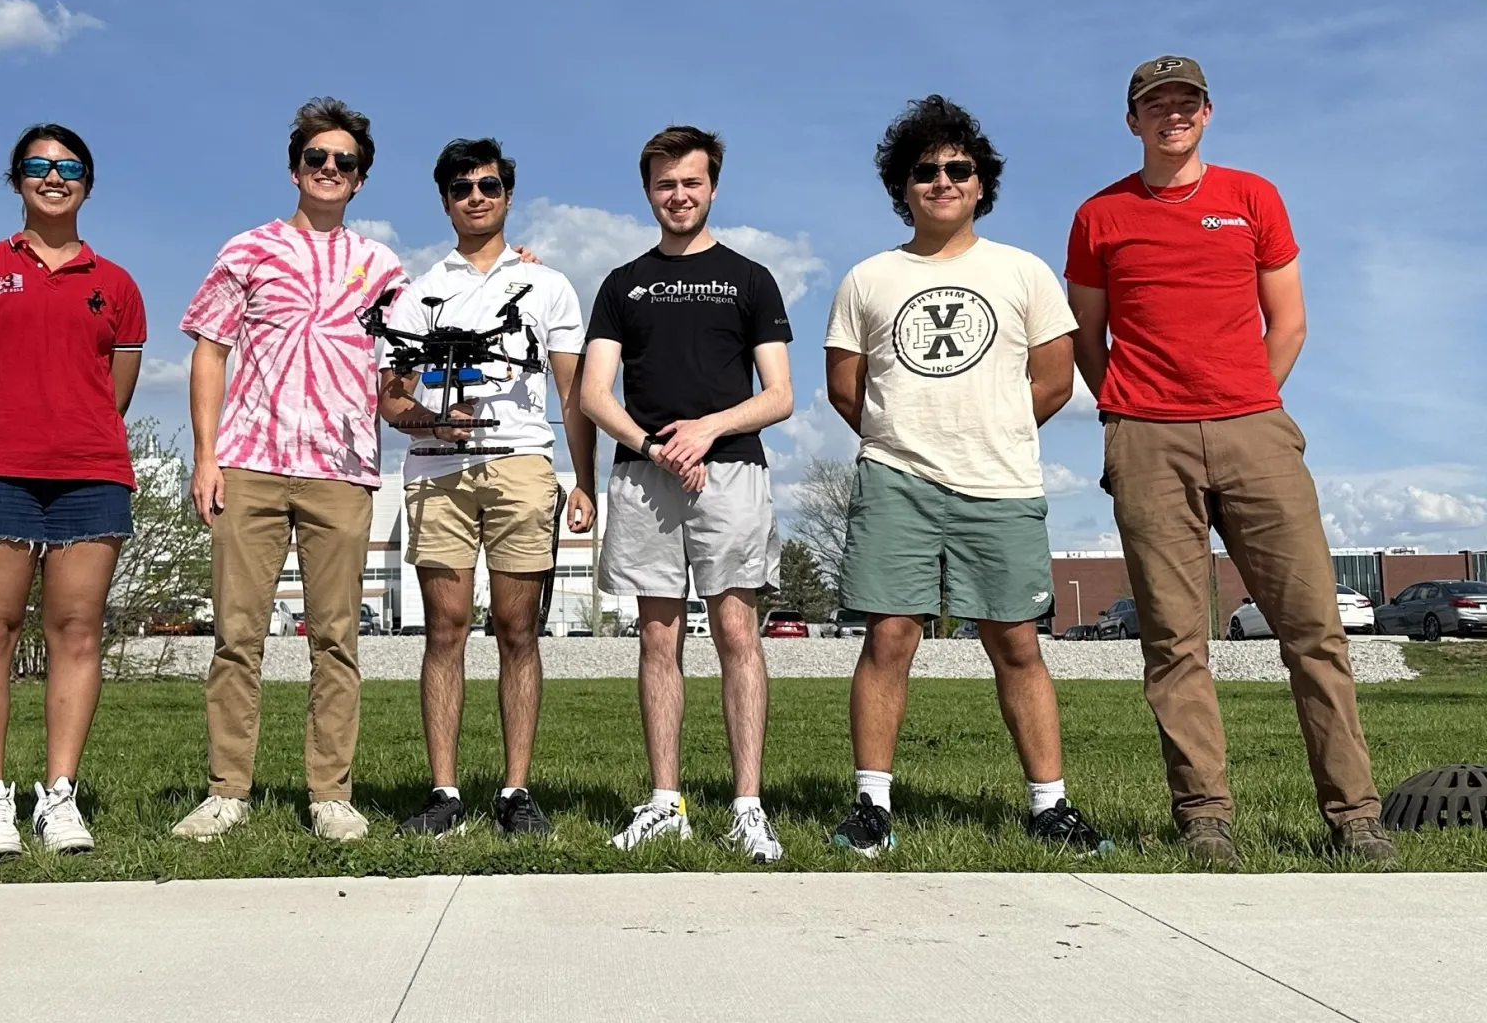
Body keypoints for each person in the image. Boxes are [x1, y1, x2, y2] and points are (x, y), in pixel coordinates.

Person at [1066, 56, 1395, 866]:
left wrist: (1245, 396)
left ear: (1207, 113)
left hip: (1255, 429)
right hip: (1148, 437)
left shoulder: (1253, 197)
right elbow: (1086, 335)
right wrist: (1127, 412)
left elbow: (1289, 322)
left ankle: (1355, 814)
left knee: (1314, 629)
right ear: (1132, 119)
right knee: (1176, 641)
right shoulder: (1099, 215)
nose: (1171, 114)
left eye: (1185, 102)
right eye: (1155, 104)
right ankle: (1204, 814)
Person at [823, 96, 1110, 858]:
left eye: (958, 168)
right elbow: (846, 388)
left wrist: (995, 431)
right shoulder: (869, 277)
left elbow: (1052, 381)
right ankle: (871, 805)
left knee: (1016, 640)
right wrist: (903, 439)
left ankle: (1050, 805)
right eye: (925, 171)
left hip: (1001, 483)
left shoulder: (1023, 270)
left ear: (981, 182)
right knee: (890, 635)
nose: (942, 181)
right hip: (896, 482)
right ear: (902, 186)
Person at [171, 98, 406, 843]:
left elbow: (405, 360)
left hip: (342, 468)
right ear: (295, 168)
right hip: (251, 461)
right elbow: (209, 346)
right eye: (317, 159)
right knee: (237, 635)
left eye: (345, 162)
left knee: (336, 637)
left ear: (361, 179)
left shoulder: (382, 266)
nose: (330, 171)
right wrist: (205, 455)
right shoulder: (247, 249)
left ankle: (330, 792)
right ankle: (227, 790)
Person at [0, 125, 146, 859]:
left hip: (91, 472)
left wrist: (67, 423)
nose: (54, 178)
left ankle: (59, 796)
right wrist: (9, 417)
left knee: (77, 633)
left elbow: (113, 391)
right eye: (38, 166)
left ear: (88, 180)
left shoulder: (116, 285)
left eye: (69, 167)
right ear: (16, 177)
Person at [579, 125, 793, 863]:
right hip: (645, 476)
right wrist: (656, 447)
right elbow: (592, 392)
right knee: (657, 635)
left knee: (738, 632)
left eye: (691, 182)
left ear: (712, 187)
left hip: (731, 473)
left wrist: (705, 430)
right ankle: (664, 800)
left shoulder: (749, 278)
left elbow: (780, 395)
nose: (679, 195)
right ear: (649, 192)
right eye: (666, 184)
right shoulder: (622, 283)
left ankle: (747, 805)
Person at [377, 138, 597, 839]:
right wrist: (431, 422)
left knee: (516, 628)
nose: (477, 196)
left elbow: (573, 393)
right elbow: (390, 397)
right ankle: (444, 791)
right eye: (463, 187)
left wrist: (583, 479)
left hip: (521, 465)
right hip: (436, 470)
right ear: (445, 200)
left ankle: (515, 789)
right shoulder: (416, 293)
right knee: (443, 628)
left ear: (508, 194)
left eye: (490, 185)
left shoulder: (547, 284)